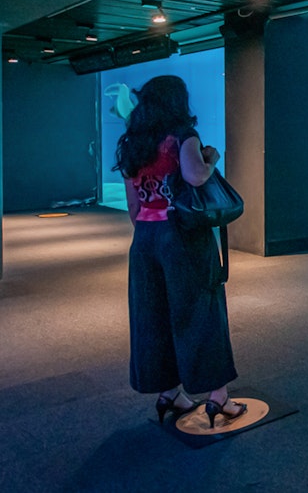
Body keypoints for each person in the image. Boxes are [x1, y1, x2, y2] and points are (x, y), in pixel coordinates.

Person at [114, 75, 246, 429]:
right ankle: (218, 397)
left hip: (144, 236)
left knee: (153, 316)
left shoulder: (132, 142)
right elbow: (196, 177)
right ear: (177, 101)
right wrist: (211, 159)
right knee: (200, 312)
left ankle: (170, 393)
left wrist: (149, 231)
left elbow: (131, 204)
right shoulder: (181, 136)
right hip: (181, 237)